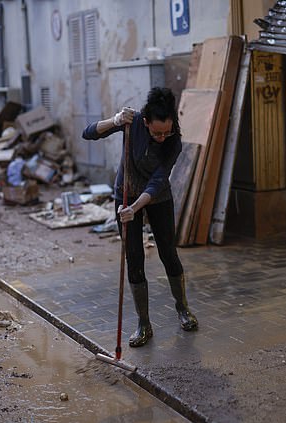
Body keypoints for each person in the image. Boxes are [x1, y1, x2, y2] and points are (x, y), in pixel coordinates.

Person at [82, 87, 198, 347]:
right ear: (145, 122)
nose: (161, 137)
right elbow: (88, 133)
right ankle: (144, 323)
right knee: (134, 258)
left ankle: (182, 308)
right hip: (125, 194)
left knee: (168, 253)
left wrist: (135, 209)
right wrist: (114, 120)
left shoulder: (174, 142)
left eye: (166, 131)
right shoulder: (131, 123)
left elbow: (157, 182)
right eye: (156, 132)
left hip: (155, 198)